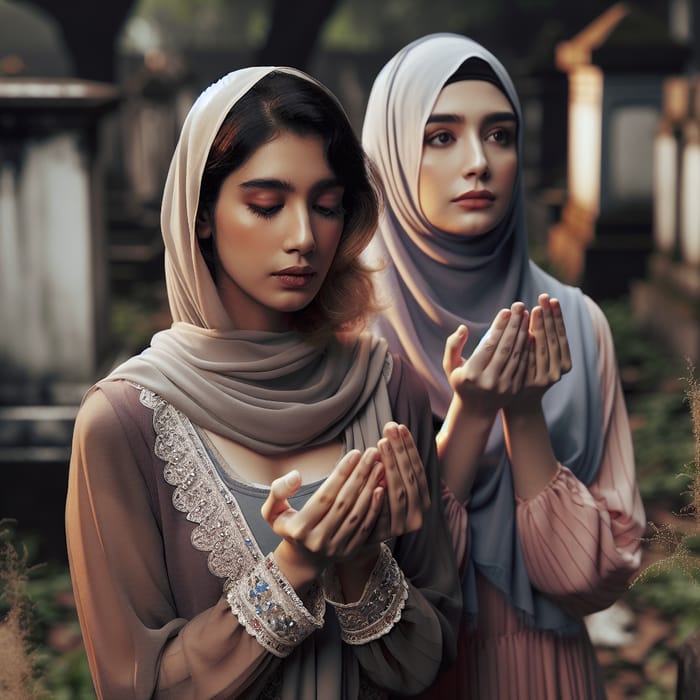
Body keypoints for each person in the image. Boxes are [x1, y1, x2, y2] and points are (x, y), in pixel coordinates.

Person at [65, 66, 462, 699]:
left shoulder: (389, 388)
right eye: (266, 206)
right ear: (200, 216)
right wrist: (295, 567)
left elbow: (431, 664)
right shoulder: (123, 421)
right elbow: (137, 687)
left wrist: (361, 565)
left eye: (327, 206)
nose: (304, 237)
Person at [361, 33, 646, 699]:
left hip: (545, 672)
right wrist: (473, 412)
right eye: (440, 137)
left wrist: (525, 413)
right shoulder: (348, 335)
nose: (479, 163)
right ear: (390, 155)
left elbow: (591, 577)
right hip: (407, 676)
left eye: (500, 134)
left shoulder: (575, 322)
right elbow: (370, 582)